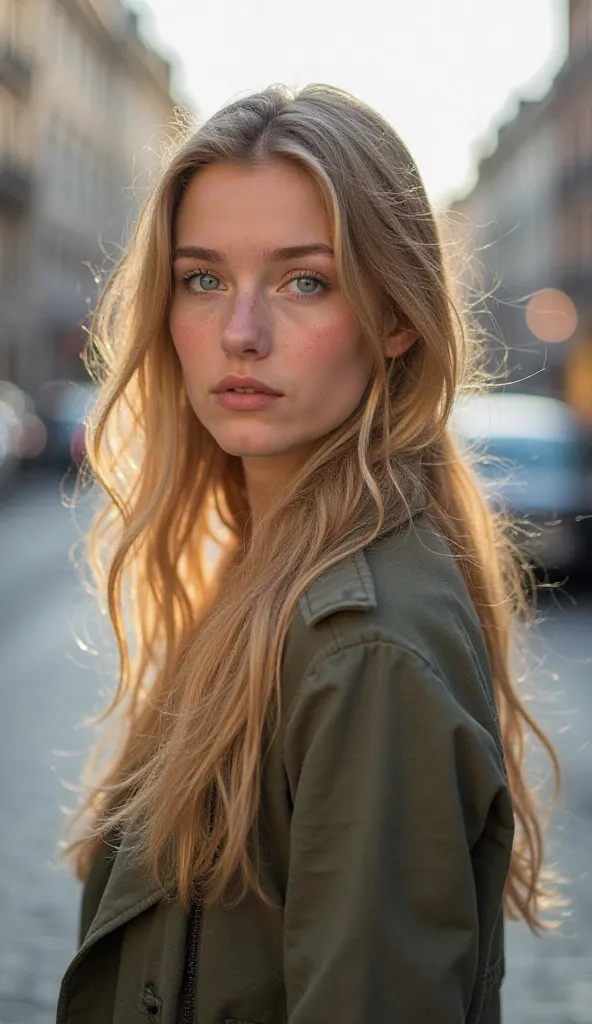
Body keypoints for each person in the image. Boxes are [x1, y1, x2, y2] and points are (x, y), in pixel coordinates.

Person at [57, 84, 559, 1024]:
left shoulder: (366, 648)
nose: (241, 333)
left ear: (397, 317)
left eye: (305, 281)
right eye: (203, 278)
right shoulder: (263, 569)